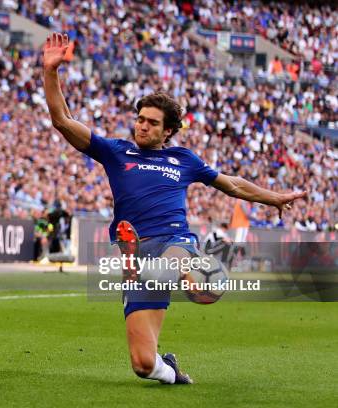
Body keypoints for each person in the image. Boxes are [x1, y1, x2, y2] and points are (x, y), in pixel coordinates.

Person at [42, 33, 307, 385]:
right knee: (142, 365)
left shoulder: (183, 159)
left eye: (152, 122)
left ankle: (196, 271)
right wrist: (50, 71)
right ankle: (170, 371)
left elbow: (232, 184)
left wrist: (273, 197)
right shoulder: (115, 151)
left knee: (167, 267)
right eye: (140, 118)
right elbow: (62, 120)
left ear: (167, 130)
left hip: (174, 241)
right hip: (135, 256)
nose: (142, 125)